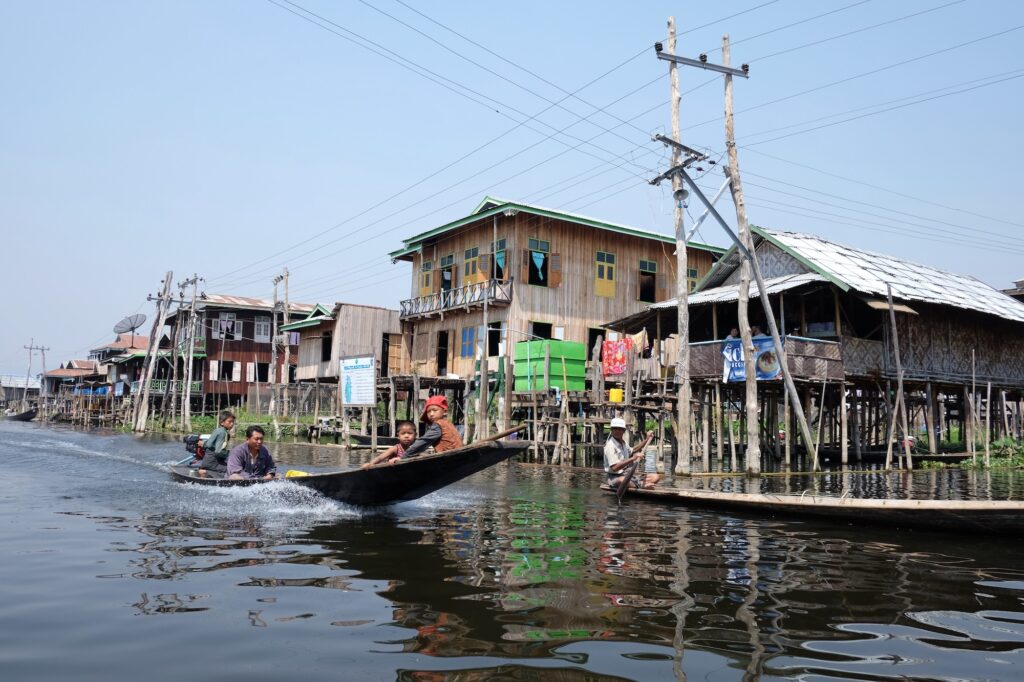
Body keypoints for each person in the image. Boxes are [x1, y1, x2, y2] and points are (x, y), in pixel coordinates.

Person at [604, 417, 660, 490]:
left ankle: (636, 483)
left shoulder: (623, 442)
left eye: (620, 429)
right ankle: (641, 486)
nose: (617, 431)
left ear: (623, 430)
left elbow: (633, 450)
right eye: (615, 429)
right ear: (611, 430)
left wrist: (646, 440)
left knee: (656, 477)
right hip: (615, 477)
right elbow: (615, 468)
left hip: (629, 475)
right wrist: (633, 458)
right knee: (622, 480)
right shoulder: (610, 446)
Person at [197, 410, 235, 475]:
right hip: (213, 463)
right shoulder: (223, 433)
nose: (232, 424)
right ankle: (206, 472)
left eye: (233, 422)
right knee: (233, 469)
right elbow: (218, 451)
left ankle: (204, 470)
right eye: (229, 421)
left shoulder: (218, 430)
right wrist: (230, 454)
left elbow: (208, 444)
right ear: (222, 422)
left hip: (208, 461)